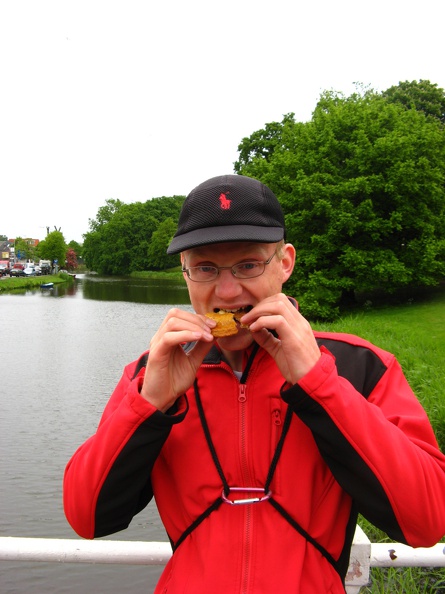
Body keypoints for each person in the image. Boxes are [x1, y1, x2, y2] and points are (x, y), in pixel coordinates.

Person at [64, 174, 445, 593]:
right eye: (205, 268)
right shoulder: (151, 373)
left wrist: (319, 384)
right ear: (185, 273)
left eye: (248, 264)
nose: (227, 291)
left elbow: (428, 521)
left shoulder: (360, 367)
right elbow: (87, 517)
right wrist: (150, 403)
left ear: (285, 263)